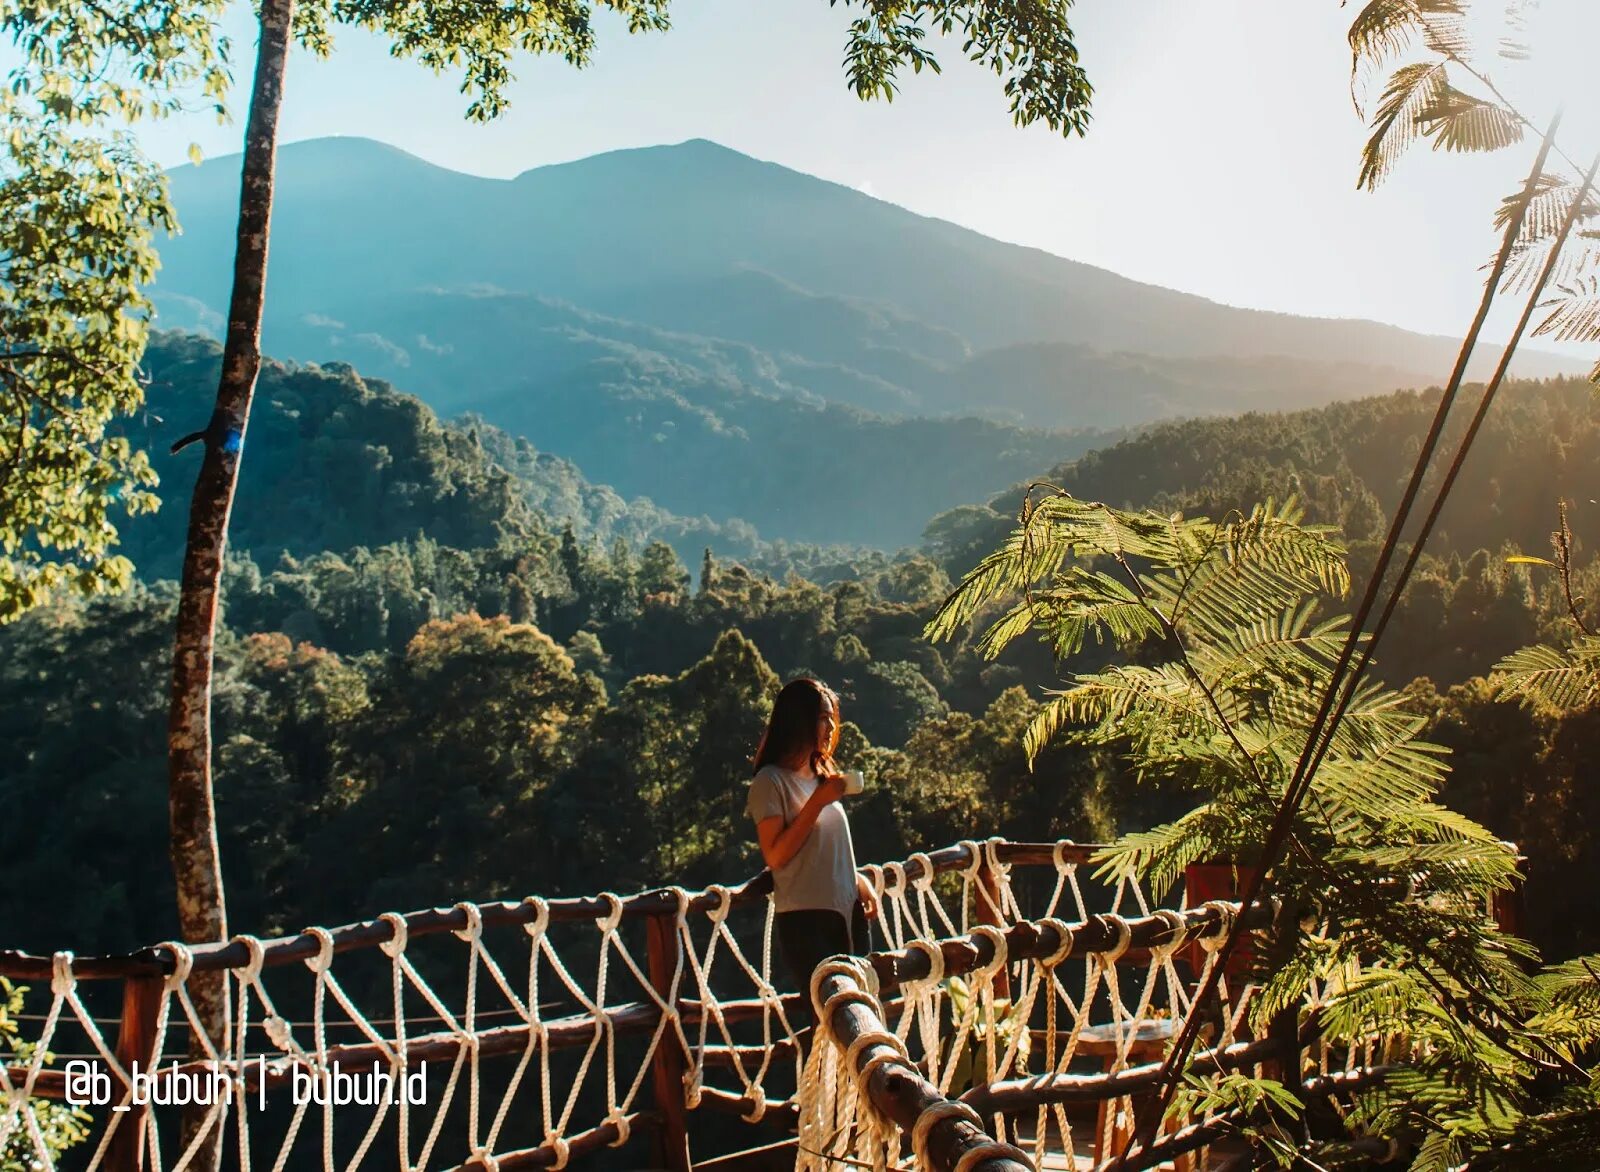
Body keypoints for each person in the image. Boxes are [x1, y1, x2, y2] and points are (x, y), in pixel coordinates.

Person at [746, 677, 878, 1004]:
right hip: (806, 919)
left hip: (848, 910)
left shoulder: (820, 777)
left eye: (833, 717)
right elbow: (776, 856)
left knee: (864, 1008)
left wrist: (857, 878)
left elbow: (823, 848)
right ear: (798, 720)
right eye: (822, 717)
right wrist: (818, 801)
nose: (831, 726)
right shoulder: (770, 782)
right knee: (833, 1016)